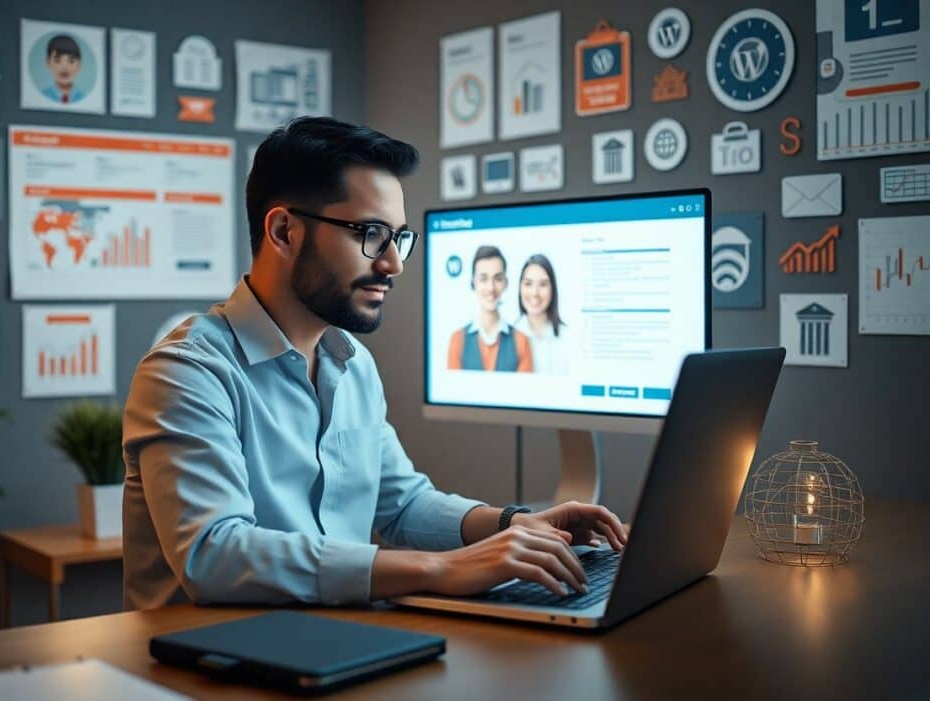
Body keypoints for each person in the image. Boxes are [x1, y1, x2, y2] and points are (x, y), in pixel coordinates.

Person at [122, 117, 627, 610]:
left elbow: (403, 505)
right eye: (370, 233)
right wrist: (443, 568)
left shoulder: (353, 363)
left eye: (399, 238)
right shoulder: (187, 372)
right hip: (202, 670)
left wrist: (513, 525)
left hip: (333, 645)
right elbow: (214, 554)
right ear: (283, 232)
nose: (393, 264)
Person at [446, 246, 534, 372]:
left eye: (497, 278)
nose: (491, 288)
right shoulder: (457, 340)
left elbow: (524, 391)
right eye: (483, 279)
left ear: (506, 283)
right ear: (473, 283)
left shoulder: (521, 341)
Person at [513, 254, 569, 374]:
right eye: (528, 284)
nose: (535, 293)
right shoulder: (508, 339)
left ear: (552, 289)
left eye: (543, 284)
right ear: (520, 288)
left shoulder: (568, 338)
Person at [42, 35, 85, 104]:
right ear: (48, 63)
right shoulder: (43, 96)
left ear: (79, 65)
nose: (64, 67)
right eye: (58, 60)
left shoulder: (83, 97)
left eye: (71, 61)